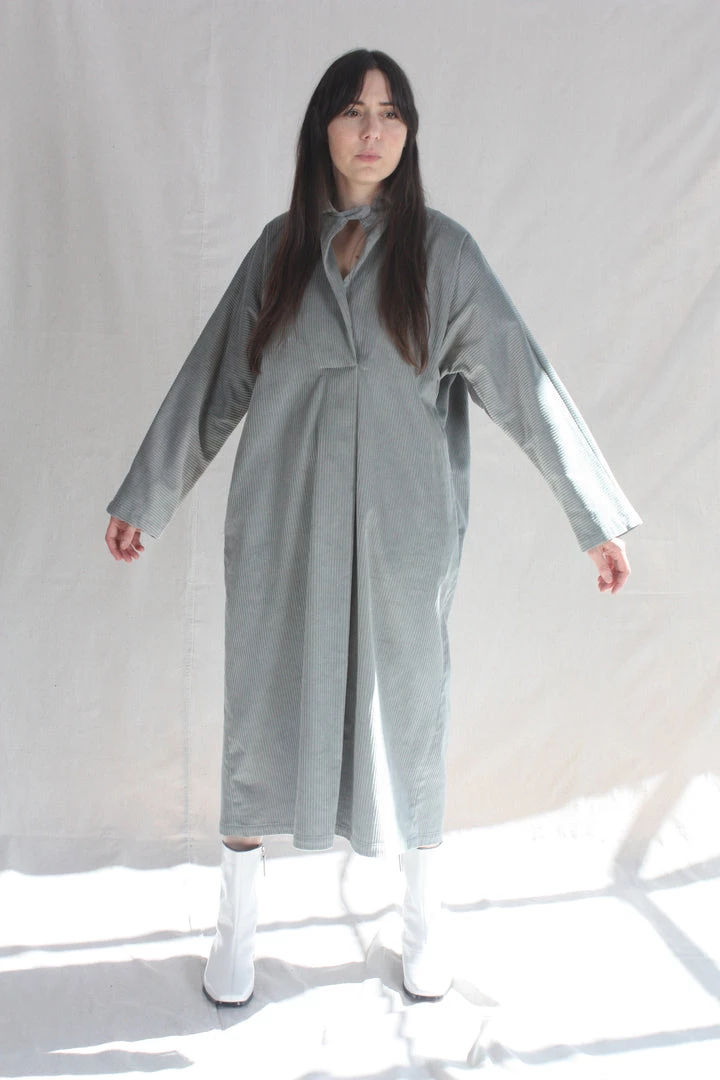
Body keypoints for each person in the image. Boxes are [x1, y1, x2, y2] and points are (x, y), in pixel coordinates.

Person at [105, 49, 642, 1008]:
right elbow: (213, 379)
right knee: (259, 707)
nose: (373, 130)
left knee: (410, 712)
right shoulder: (278, 251)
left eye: (392, 113)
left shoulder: (444, 255)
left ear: (409, 134)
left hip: (405, 533)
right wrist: (146, 496)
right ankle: (236, 926)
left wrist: (593, 517)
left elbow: (526, 382)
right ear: (322, 126)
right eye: (354, 110)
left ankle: (423, 923)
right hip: (283, 519)